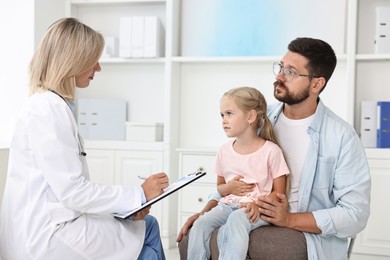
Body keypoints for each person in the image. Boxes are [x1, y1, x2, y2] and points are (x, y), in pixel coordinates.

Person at [177, 37, 371, 260]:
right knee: (190, 238)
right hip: (246, 211)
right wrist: (205, 212)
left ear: (317, 84)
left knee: (268, 247)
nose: (279, 76)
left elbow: (355, 214)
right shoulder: (259, 119)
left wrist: (289, 219)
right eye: (280, 67)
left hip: (299, 230)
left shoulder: (342, 137)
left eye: (290, 72)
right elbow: (234, 177)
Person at [0, 17, 168, 260]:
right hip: (47, 235)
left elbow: (67, 194)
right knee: (148, 233)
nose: (98, 68)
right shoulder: (49, 109)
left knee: (143, 227)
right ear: (73, 61)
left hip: (52, 222)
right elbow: (73, 193)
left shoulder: (48, 104)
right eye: (93, 61)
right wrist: (139, 194)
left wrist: (129, 205)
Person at [187, 87, 289, 260]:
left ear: (250, 117)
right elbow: (220, 187)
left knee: (236, 219)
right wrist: (229, 187)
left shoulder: (271, 151)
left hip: (257, 210)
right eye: (222, 115)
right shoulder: (224, 151)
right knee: (201, 224)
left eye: (229, 114)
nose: (224, 120)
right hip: (227, 205)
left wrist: (258, 205)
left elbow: (279, 193)